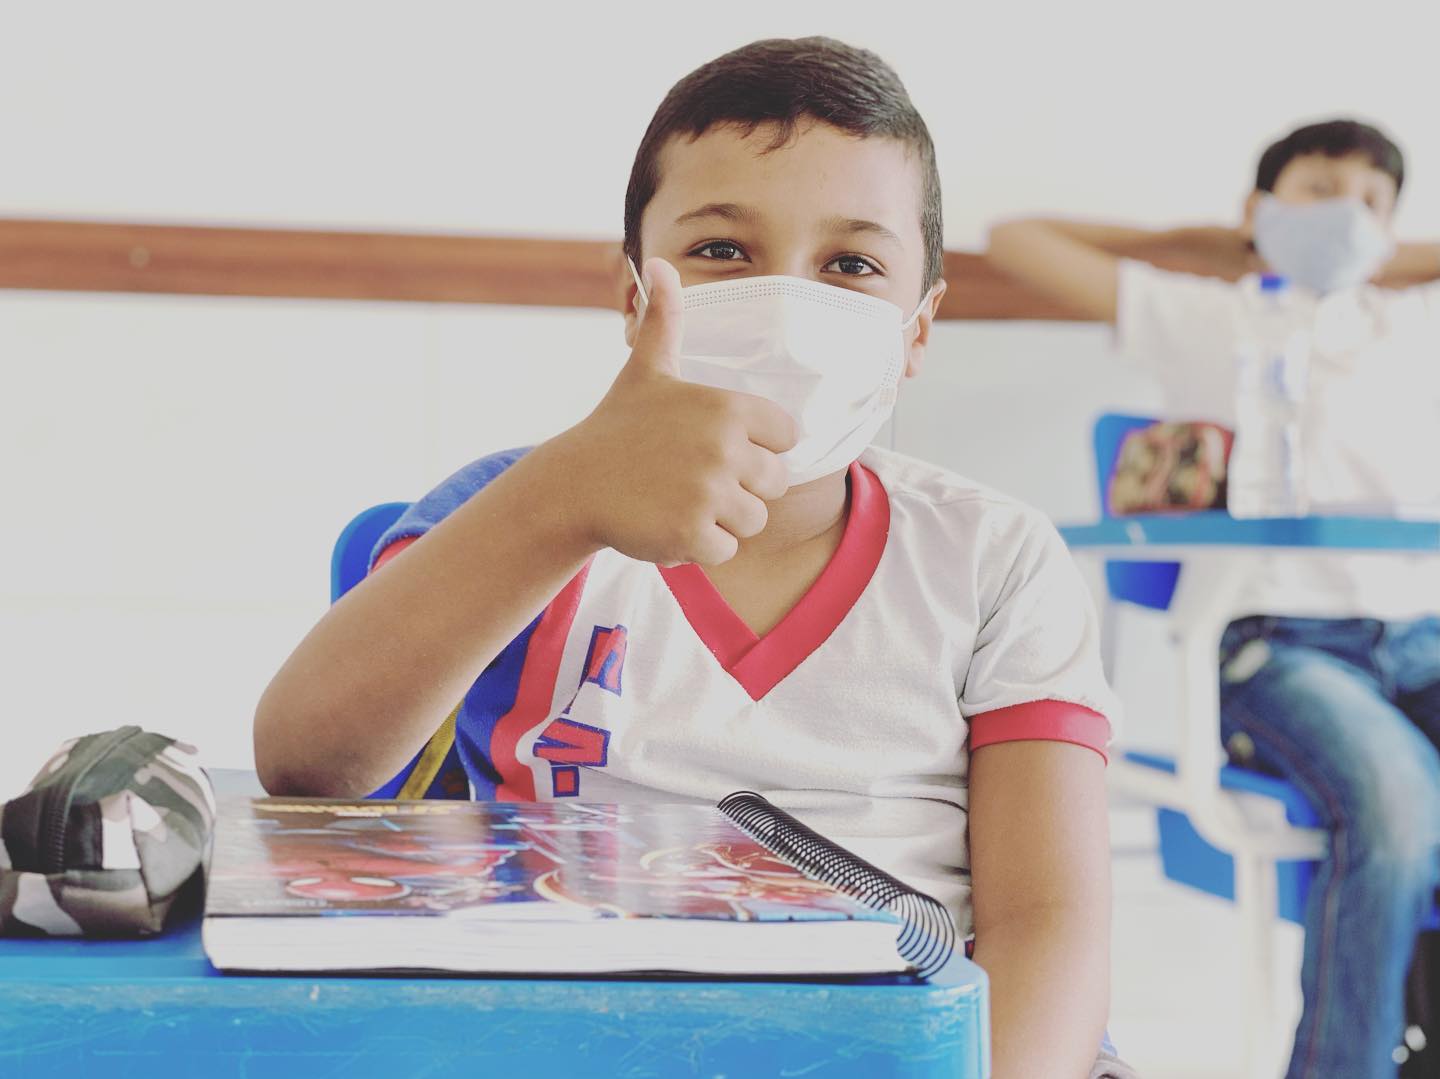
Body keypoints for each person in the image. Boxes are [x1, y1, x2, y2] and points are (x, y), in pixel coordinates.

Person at [257, 37, 1129, 1079]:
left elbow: (1047, 923)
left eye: (851, 265)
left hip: (924, 1049)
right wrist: (563, 502)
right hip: (591, 1043)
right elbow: (307, 764)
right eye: (722, 248)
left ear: (918, 329)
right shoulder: (516, 512)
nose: (788, 306)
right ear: (635, 296)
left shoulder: (996, 558)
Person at [988, 118, 1440, 1078]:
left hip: (1421, 641)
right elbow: (1015, 240)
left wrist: (1375, 252)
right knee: (1400, 805)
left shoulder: (1408, 322)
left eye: (1371, 201)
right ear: (1259, 209)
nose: (1346, 215)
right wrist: (1222, 245)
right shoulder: (1209, 318)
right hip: (1283, 649)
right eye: (1320, 190)